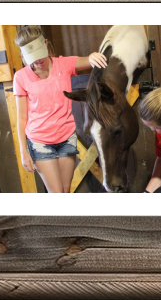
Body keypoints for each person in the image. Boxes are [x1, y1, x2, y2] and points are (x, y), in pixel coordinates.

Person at [13, 25, 107, 193]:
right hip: (40, 141)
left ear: (46, 44)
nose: (38, 61)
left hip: (66, 137)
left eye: (40, 55)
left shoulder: (63, 64)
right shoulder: (21, 77)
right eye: (32, 58)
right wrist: (23, 151)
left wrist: (93, 57)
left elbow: (87, 60)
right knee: (57, 194)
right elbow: (21, 118)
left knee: (65, 190)